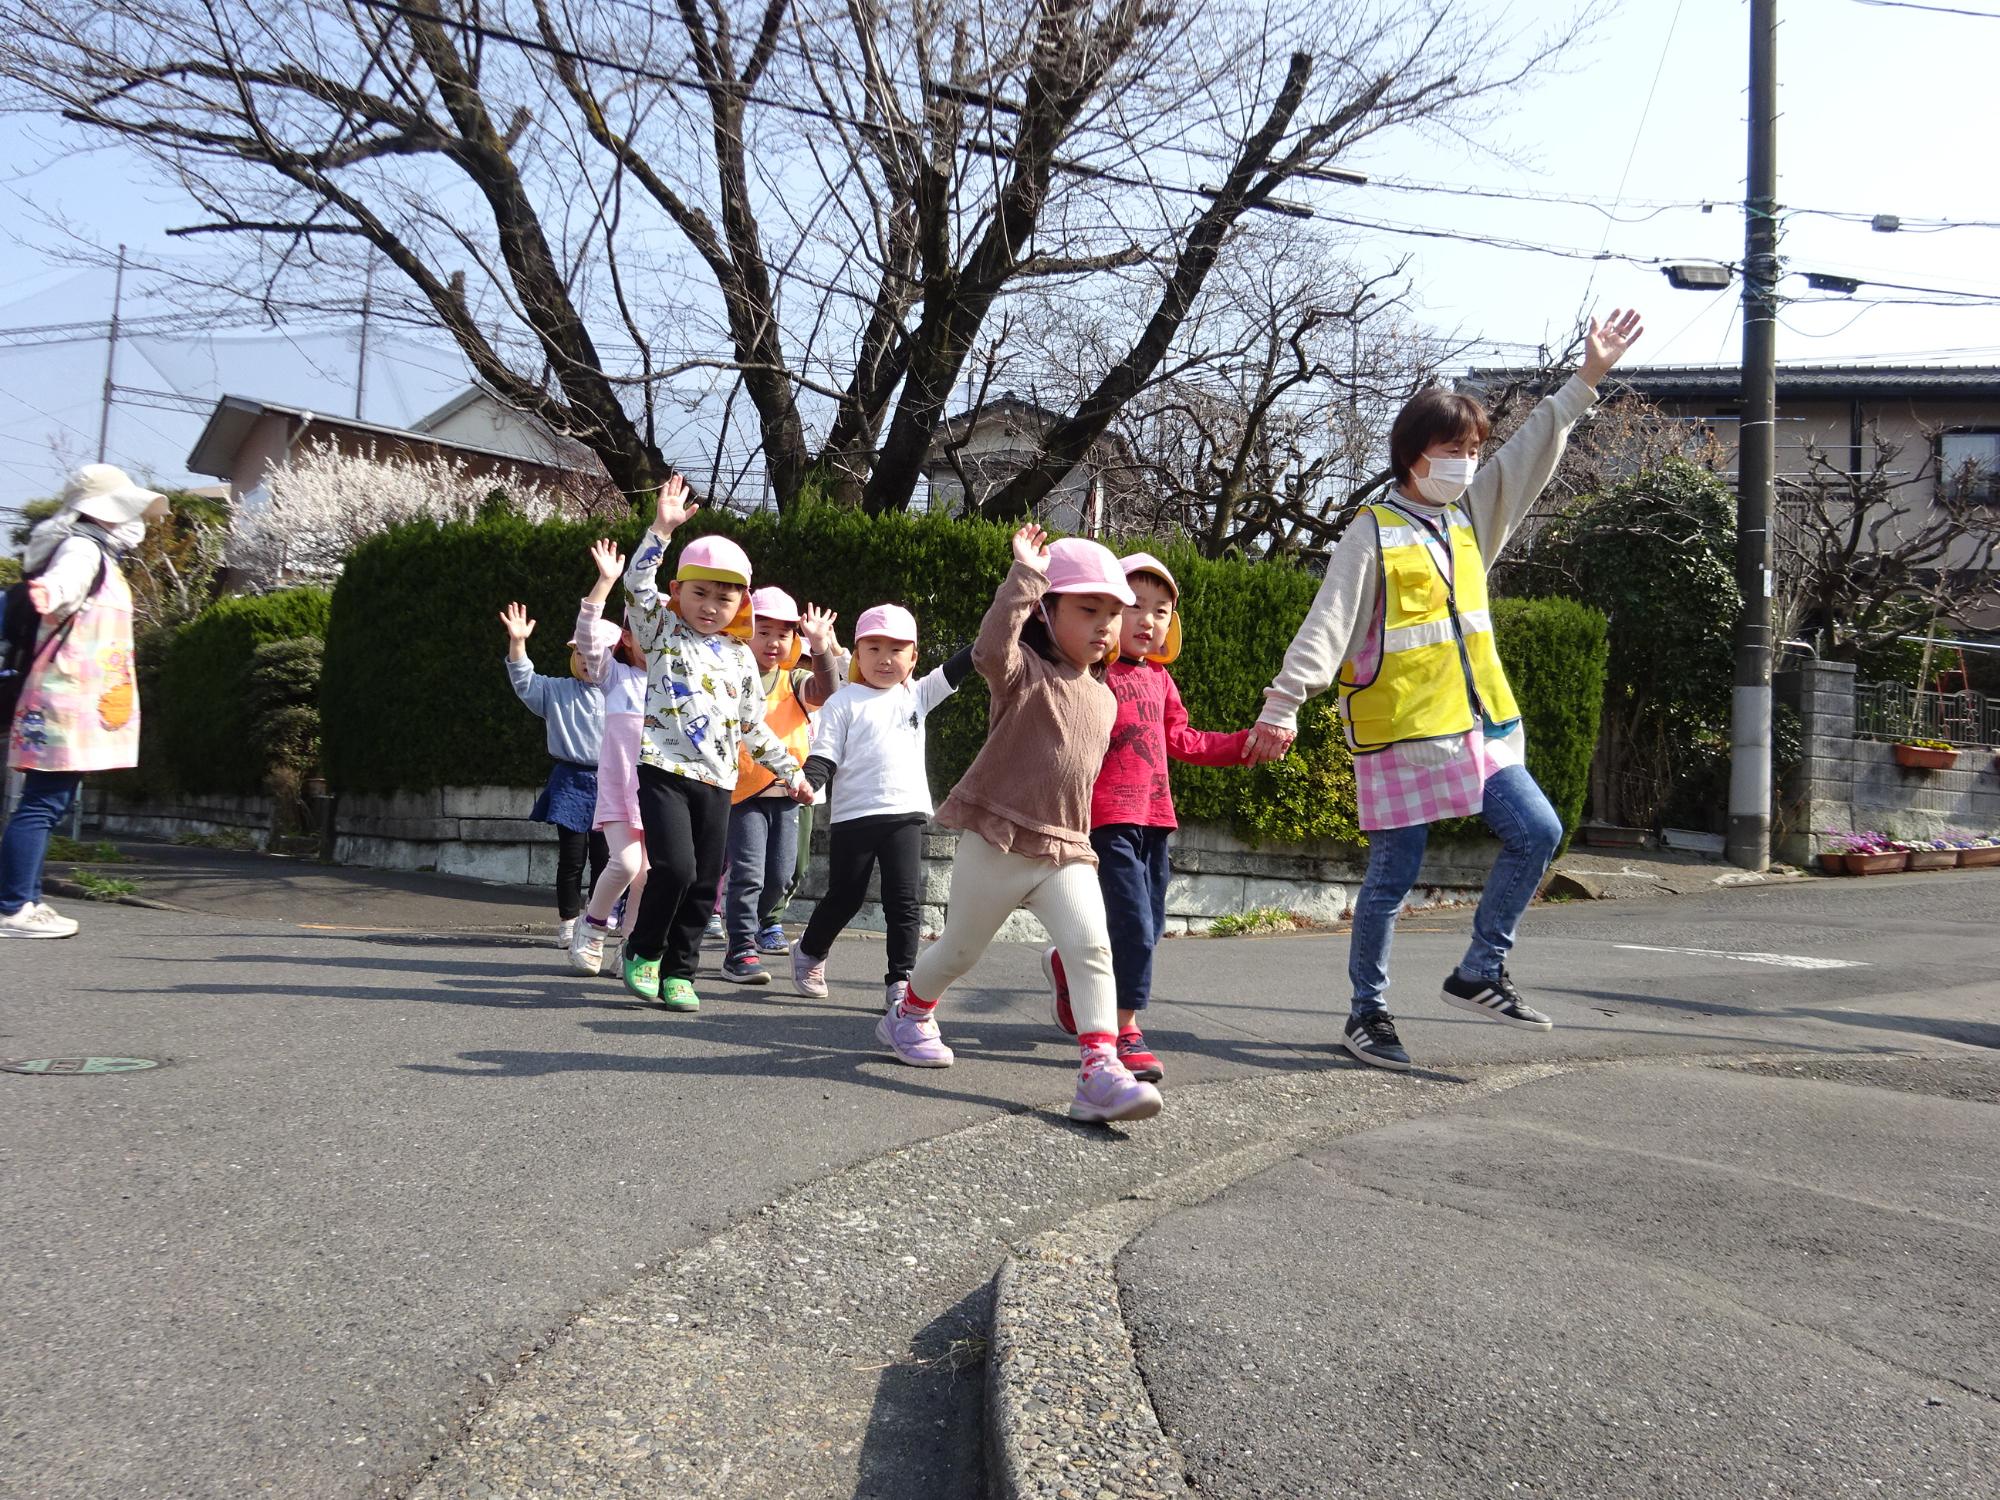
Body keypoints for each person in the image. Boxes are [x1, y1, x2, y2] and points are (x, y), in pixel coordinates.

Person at [1243, 309, 1645, 1072]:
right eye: (1451, 449)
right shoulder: (1371, 531)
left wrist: (1586, 379)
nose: (1466, 461)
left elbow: (1529, 457)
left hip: (1482, 727)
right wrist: (1283, 705)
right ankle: (1368, 1013)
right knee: (1392, 879)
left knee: (1539, 831)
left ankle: (1480, 969)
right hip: (1402, 734)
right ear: (1412, 453)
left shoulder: (1467, 522)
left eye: (1471, 449)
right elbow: (1327, 624)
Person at [895, 525, 1164, 1126]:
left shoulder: (1106, 696)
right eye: (1088, 609)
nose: (1105, 625)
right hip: (999, 838)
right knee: (962, 948)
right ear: (1048, 612)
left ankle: (1098, 1070)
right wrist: (1025, 576)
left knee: (1096, 949)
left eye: (1113, 614)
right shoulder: (1021, 673)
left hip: (1067, 847)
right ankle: (909, 1011)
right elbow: (990, 649)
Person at [1042, 553, 1257, 1083]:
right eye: (1135, 606)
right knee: (1134, 927)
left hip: (1155, 819)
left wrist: (1244, 744)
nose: (1147, 620)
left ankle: (1067, 968)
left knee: (1150, 926)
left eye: (1161, 611)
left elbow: (1184, 739)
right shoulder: (1091, 670)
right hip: (1105, 820)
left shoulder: (1161, 682)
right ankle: (1124, 1030)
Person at [619, 476, 812, 1012]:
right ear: (678, 593)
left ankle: (681, 973)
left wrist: (791, 773)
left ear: (740, 604)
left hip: (719, 781)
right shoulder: (661, 633)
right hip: (664, 768)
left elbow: (755, 725)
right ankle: (642, 950)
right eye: (699, 593)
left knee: (705, 884)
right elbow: (636, 587)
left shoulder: (741, 657)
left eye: (724, 597)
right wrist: (661, 529)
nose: (710, 605)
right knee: (675, 869)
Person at [1, 464, 168, 938]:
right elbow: (60, 587)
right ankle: (13, 908)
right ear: (102, 511)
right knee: (43, 804)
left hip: (67, 698)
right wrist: (48, 591)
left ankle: (26, 901)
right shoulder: (83, 548)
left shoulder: (95, 549)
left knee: (47, 802)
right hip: (63, 699)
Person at [790, 604, 976, 1010]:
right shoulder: (843, 701)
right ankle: (808, 950)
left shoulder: (917, 694)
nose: (884, 659)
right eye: (873, 649)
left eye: (896, 650)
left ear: (913, 657)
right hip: (854, 816)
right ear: (857, 655)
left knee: (903, 900)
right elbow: (824, 755)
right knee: (845, 897)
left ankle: (901, 979)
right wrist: (809, 782)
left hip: (905, 814)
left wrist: (1003, 627)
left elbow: (962, 663)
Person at [718, 588, 845, 986]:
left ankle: (750, 927)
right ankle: (739, 949)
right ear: (744, 632)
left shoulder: (796, 680)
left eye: (783, 634)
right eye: (763, 630)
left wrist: (822, 646)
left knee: (782, 876)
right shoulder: (729, 673)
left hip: (790, 794)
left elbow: (829, 692)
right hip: (743, 793)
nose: (772, 642)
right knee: (750, 874)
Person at [502, 586, 609, 949]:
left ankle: (596, 923)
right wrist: (518, 643)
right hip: (570, 781)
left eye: (592, 651)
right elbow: (524, 682)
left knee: (607, 861)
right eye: (578, 651)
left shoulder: (624, 692)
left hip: (611, 783)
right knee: (572, 858)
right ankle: (568, 922)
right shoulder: (557, 690)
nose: (584, 658)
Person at [567, 537, 650, 977]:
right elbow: (586, 639)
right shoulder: (614, 676)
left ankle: (632, 948)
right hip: (620, 789)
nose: (646, 641)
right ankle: (593, 925)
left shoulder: (674, 682)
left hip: (659, 792)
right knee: (626, 863)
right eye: (637, 631)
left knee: (647, 876)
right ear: (625, 636)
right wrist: (604, 583)